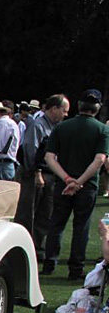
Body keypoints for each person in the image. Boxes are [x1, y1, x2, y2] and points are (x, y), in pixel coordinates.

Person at [42, 89, 109, 279]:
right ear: (98, 108)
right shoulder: (102, 130)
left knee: (56, 224)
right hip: (87, 185)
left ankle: (49, 263)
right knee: (81, 227)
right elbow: (99, 159)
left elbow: (49, 157)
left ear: (79, 105)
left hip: (63, 183)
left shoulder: (62, 127)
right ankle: (76, 268)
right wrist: (79, 182)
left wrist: (66, 179)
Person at [16, 94, 68, 257]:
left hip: (48, 175)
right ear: (54, 109)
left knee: (45, 214)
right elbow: (31, 150)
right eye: (64, 111)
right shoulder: (38, 126)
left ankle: (37, 248)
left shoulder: (54, 127)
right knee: (28, 212)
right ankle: (22, 247)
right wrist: (36, 172)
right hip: (34, 175)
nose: (66, 114)